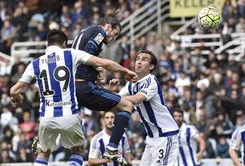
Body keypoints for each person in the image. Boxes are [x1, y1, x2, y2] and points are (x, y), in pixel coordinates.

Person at [9, 29, 137, 166]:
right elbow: (104, 63)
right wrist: (125, 71)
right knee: (78, 150)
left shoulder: (35, 63)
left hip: (46, 117)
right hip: (69, 114)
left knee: (43, 153)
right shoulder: (70, 54)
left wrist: (17, 97)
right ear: (64, 43)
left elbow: (14, 90)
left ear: (48, 44)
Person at [71, 9, 136, 161]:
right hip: (84, 86)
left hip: (72, 88)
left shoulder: (83, 32)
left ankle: (43, 140)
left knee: (77, 145)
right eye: (115, 34)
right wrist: (103, 67)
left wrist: (96, 70)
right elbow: (89, 54)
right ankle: (113, 148)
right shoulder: (99, 31)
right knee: (126, 105)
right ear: (108, 27)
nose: (114, 39)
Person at [109, 50, 179, 165]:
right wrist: (112, 92)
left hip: (166, 135)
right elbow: (115, 103)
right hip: (151, 138)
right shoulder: (131, 84)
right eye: (137, 59)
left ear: (151, 66)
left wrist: (113, 96)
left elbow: (136, 99)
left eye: (144, 59)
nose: (139, 62)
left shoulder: (151, 81)